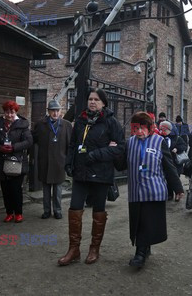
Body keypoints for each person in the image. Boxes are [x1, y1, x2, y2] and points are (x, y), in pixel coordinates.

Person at [58, 88, 125, 266]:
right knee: (75, 208)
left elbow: (119, 147)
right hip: (81, 172)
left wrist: (96, 154)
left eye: (96, 99)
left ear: (103, 103)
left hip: (101, 174)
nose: (92, 102)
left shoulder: (111, 122)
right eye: (90, 99)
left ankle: (94, 248)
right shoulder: (80, 121)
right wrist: (69, 163)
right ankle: (74, 249)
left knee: (98, 211)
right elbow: (73, 144)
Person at [117, 112, 184, 268]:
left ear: (149, 127)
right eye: (136, 129)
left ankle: (140, 253)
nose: (139, 132)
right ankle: (144, 248)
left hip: (153, 191)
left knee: (147, 222)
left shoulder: (159, 141)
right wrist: (115, 151)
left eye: (142, 128)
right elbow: (120, 166)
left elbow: (169, 166)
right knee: (139, 223)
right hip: (135, 192)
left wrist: (177, 187)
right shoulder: (130, 143)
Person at [0, 100, 33, 223]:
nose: (9, 115)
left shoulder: (22, 125)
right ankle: (9, 213)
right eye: (7, 112)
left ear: (15, 112)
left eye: (12, 112)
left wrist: (14, 147)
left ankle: (18, 213)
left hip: (17, 161)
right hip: (2, 161)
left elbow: (29, 141)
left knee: (16, 189)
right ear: (4, 112)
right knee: (5, 189)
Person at [32, 100, 72, 219]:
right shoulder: (40, 124)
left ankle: (57, 210)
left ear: (61, 111)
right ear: (48, 111)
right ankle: (46, 211)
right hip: (45, 161)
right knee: (45, 188)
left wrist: (68, 161)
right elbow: (33, 140)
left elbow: (70, 145)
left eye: (57, 110)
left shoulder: (66, 125)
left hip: (60, 162)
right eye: (52, 111)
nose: (55, 113)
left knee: (58, 189)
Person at [159, 120, 187, 201]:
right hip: (166, 163)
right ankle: (169, 194)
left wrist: (177, 149)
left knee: (175, 178)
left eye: (164, 130)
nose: (162, 131)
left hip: (176, 163)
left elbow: (184, 146)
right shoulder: (160, 139)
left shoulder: (177, 138)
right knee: (167, 178)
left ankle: (177, 193)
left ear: (169, 130)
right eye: (161, 129)